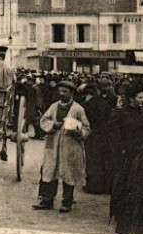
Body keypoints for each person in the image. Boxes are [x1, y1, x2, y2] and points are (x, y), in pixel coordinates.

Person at [33, 80, 90, 213]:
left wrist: (78, 132)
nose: (62, 94)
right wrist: (53, 125)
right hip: (53, 144)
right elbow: (44, 120)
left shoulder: (78, 109)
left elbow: (86, 128)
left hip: (70, 146)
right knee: (50, 171)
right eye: (60, 91)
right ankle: (47, 200)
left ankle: (66, 202)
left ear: (71, 93)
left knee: (68, 173)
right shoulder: (53, 106)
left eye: (65, 91)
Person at [82, 82, 113, 194]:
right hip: (105, 134)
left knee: (92, 160)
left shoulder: (86, 104)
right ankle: (106, 186)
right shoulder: (105, 103)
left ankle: (94, 186)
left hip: (92, 134)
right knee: (104, 159)